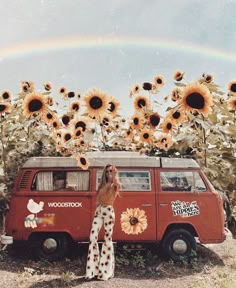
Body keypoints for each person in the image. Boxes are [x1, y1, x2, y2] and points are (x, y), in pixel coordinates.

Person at [85, 164, 120, 281]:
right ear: (104, 173)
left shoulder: (115, 185)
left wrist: (115, 176)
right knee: (92, 237)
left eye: (111, 171)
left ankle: (105, 272)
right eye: (107, 171)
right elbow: (98, 199)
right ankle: (92, 270)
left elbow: (116, 184)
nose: (109, 173)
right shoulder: (102, 185)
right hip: (99, 211)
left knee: (107, 240)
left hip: (108, 211)